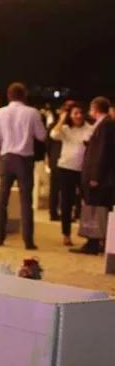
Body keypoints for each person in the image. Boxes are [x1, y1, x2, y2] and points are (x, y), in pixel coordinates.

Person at [0, 82, 47, 250]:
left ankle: (0, 238)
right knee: (26, 201)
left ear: (8, 96)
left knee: (2, 200)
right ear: (25, 95)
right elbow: (42, 136)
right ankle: (28, 240)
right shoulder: (32, 112)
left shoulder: (0, 113)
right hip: (24, 160)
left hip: (6, 158)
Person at [73, 96, 114, 255]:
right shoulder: (104, 124)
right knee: (96, 208)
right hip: (100, 175)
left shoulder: (106, 125)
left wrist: (95, 176)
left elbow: (102, 151)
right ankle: (95, 241)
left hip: (99, 177)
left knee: (95, 209)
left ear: (95, 109)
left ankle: (93, 243)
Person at [50, 101, 92, 246]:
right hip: (66, 168)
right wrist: (62, 119)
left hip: (84, 170)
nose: (78, 116)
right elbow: (53, 134)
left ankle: (90, 235)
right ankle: (66, 234)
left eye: (80, 113)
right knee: (66, 202)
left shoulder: (90, 129)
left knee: (88, 202)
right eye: (75, 113)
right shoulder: (65, 129)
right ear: (70, 115)